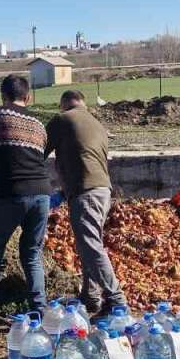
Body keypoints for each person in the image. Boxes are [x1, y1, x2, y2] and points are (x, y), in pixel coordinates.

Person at [45, 90, 127, 317]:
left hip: (86, 193)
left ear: (63, 105)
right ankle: (90, 297)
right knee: (89, 245)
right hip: (102, 191)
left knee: (91, 246)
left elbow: (38, 151)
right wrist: (65, 190)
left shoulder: (63, 119)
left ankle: (117, 300)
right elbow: (86, 158)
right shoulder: (96, 123)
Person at [0, 75, 51, 322]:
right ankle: (40, 311)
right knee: (31, 253)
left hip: (11, 194)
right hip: (41, 194)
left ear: (3, 96)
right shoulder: (39, 124)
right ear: (28, 97)